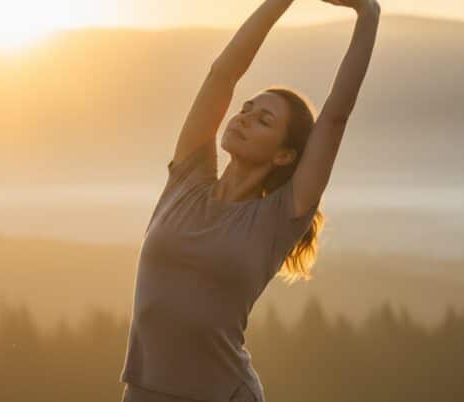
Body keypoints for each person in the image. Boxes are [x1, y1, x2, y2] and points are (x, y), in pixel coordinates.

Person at [120, 0, 381, 401]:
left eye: (264, 121)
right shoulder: (187, 180)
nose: (242, 118)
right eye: (246, 109)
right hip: (144, 392)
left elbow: (334, 117)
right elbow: (222, 74)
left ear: (284, 155)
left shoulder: (280, 215)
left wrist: (368, 13)